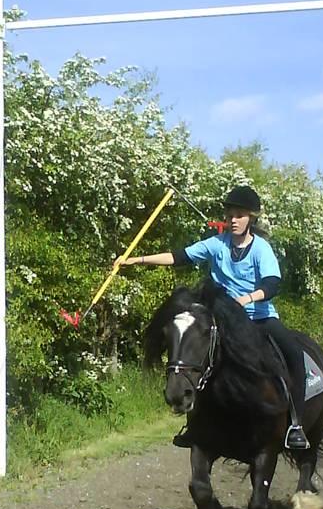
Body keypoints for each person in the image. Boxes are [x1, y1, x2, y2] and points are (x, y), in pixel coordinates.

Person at [120, 184, 309, 449]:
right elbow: (178, 257)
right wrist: (136, 260)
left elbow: (271, 284)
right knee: (197, 357)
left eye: (239, 215)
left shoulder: (261, 249)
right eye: (230, 214)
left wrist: (247, 298)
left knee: (293, 354)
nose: (233, 219)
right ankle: (194, 423)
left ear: (251, 218)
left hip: (259, 317)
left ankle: (296, 425)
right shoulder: (216, 244)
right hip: (223, 321)